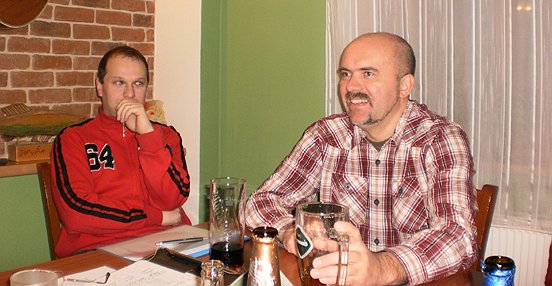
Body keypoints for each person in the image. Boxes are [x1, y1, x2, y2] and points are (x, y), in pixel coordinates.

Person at [245, 32, 477, 286]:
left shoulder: (439, 139)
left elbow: (458, 235)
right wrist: (290, 230)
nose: (351, 87)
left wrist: (382, 267)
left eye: (368, 73)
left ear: (404, 86)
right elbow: (261, 202)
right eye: (346, 74)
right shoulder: (326, 136)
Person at [51, 45, 191, 257]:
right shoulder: (73, 139)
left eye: (138, 83)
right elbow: (76, 213)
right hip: (98, 250)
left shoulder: (166, 136)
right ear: (100, 87)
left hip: (169, 243)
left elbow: (173, 199)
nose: (130, 93)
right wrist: (157, 217)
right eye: (119, 82)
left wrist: (147, 136)